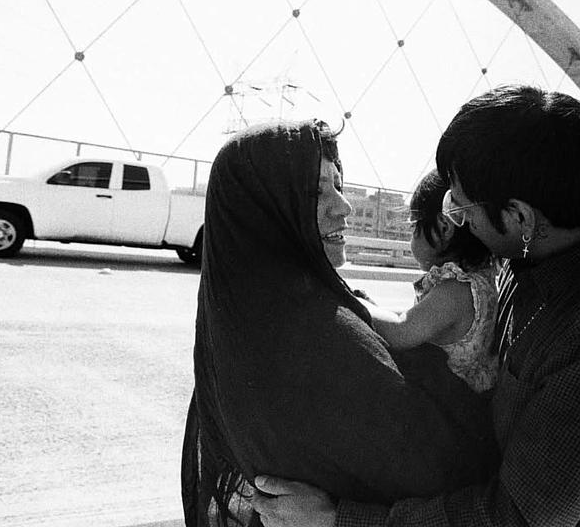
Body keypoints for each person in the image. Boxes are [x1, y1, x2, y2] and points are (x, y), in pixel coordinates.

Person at [250, 85, 580, 526]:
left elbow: (514, 518)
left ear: (520, 217)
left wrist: (338, 521)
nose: (459, 222)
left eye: (463, 209)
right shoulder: (535, 251)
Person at [180, 119, 498, 526]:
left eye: (338, 185)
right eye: (315, 192)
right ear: (263, 210)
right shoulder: (316, 334)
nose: (343, 206)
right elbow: (441, 466)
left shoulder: (239, 322)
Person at [359, 169, 499, 392]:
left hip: (446, 402)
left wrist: (351, 299)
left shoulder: (456, 290)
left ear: (443, 227)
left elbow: (400, 331)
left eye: (414, 226)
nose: (412, 236)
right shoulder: (481, 281)